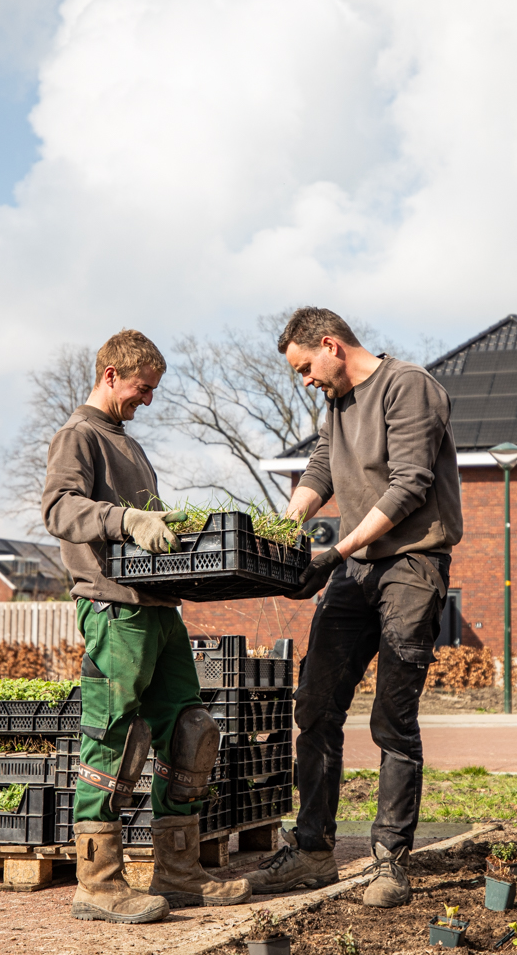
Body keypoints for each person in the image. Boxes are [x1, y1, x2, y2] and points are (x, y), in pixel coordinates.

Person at [242, 308, 463, 908]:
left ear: (331, 345)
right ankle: (313, 850)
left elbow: (410, 484)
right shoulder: (337, 404)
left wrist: (335, 551)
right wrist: (286, 526)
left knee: (392, 717)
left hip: (411, 566)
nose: (306, 380)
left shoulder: (408, 386)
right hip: (357, 569)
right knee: (314, 703)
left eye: (306, 367)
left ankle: (391, 860)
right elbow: (322, 467)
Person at [42, 328, 251, 923]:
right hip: (115, 607)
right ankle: (98, 883)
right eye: (142, 387)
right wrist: (128, 519)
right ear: (110, 375)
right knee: (116, 734)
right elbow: (58, 508)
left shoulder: (127, 443)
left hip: (159, 608)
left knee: (191, 731)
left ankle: (178, 872)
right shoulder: (78, 436)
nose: (148, 399)